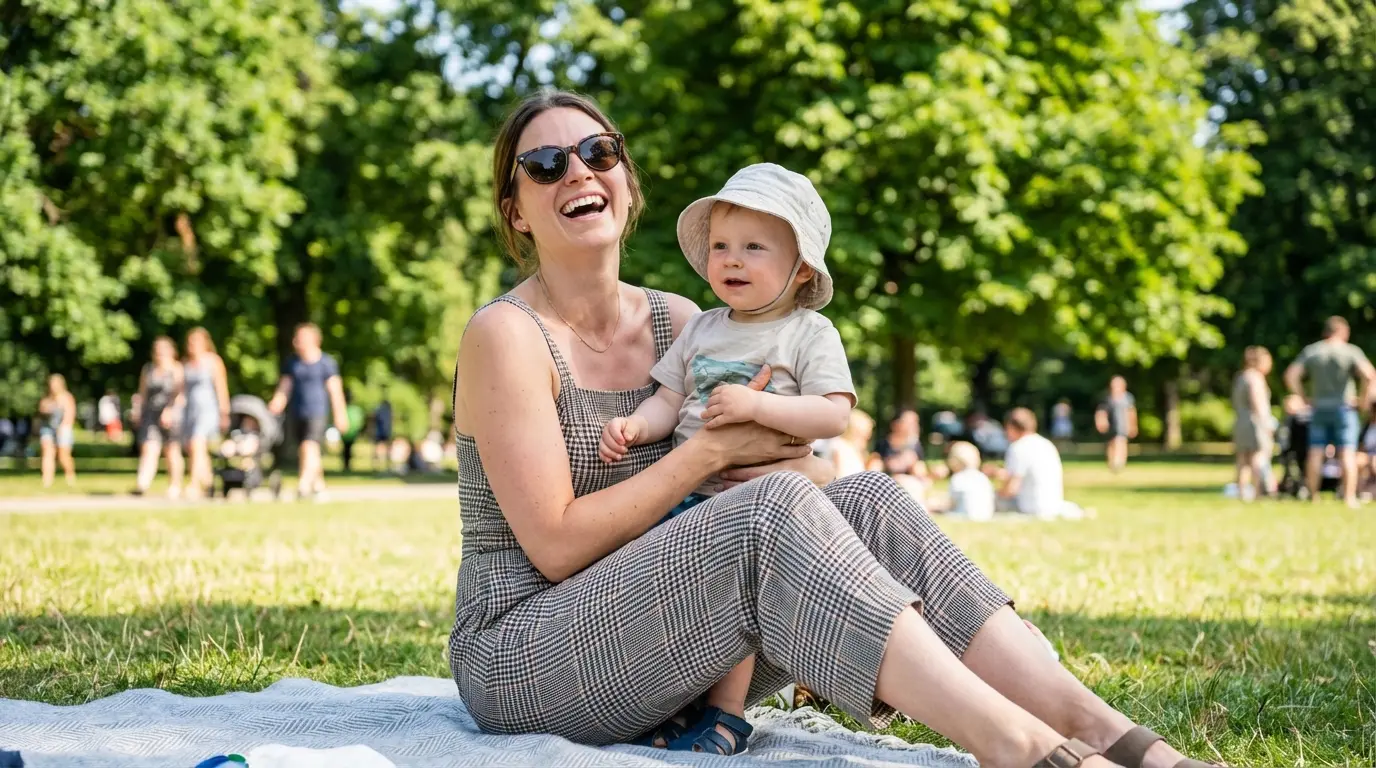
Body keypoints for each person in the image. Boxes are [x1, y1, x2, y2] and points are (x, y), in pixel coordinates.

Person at [448, 90, 1218, 768]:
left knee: (871, 501)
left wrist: (792, 465)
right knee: (762, 514)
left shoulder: (679, 321)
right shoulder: (507, 336)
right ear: (515, 210)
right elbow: (555, 547)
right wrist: (713, 453)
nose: (578, 172)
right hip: (525, 654)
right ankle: (1014, 747)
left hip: (661, 634)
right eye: (544, 164)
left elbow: (794, 474)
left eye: (599, 152)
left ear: (626, 180)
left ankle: (1098, 726)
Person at [598, 163, 855, 752]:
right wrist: (637, 426)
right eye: (721, 247)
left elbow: (832, 415)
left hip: (759, 502)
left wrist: (758, 407)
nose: (732, 260)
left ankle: (727, 714)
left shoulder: (808, 333)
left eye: (753, 248)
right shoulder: (702, 328)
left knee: (735, 605)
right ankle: (676, 706)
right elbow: (670, 400)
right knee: (679, 607)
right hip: (686, 496)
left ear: (801, 268)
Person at [1284, 316, 1376, 507]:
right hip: (1344, 408)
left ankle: (1313, 496)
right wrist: (1362, 400)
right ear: (1343, 332)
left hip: (1319, 408)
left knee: (1316, 451)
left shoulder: (1313, 351)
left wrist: (1303, 397)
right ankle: (1349, 498)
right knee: (1347, 452)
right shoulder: (1350, 351)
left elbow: (1291, 375)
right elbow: (1369, 375)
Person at [268, 323, 349, 501]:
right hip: (297, 412)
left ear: (314, 340)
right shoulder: (292, 363)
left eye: (300, 338)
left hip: (317, 411)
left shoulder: (326, 363)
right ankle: (319, 487)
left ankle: (303, 485)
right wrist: (276, 404)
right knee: (307, 450)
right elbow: (285, 387)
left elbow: (335, 390)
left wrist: (340, 414)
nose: (295, 342)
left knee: (309, 446)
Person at [180, 328, 231, 500]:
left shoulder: (213, 361)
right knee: (194, 447)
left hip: (208, 410)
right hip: (190, 410)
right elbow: (181, 390)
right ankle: (208, 482)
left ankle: (194, 484)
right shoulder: (186, 363)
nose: (192, 345)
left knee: (197, 442)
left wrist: (224, 412)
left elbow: (221, 388)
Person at [132, 337, 186, 497]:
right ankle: (143, 483)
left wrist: (169, 411)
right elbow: (142, 393)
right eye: (157, 352)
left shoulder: (176, 368)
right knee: (149, 447)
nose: (159, 355)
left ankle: (175, 485)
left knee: (172, 450)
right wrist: (138, 411)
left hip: (172, 413)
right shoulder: (148, 369)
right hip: (151, 413)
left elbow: (180, 393)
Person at [996, 408, 1069, 518]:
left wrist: (996, 493)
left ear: (1012, 427)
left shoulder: (1018, 447)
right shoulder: (1046, 444)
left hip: (1031, 508)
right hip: (1053, 506)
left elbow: (1011, 489)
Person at [1232, 346, 1276, 501]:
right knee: (1258, 456)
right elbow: (1259, 404)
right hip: (1254, 422)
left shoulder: (1241, 376)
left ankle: (1241, 493)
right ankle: (1258, 492)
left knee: (1242, 460)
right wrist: (1267, 424)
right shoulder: (1256, 378)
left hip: (1240, 421)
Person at [876, 408, 932, 500]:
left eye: (915, 422)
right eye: (910, 423)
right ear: (895, 424)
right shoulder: (883, 445)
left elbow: (922, 475)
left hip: (909, 488)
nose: (914, 426)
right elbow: (874, 469)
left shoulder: (915, 445)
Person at [37, 374, 77, 487]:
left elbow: (70, 414)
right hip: (48, 428)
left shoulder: (67, 397)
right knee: (47, 452)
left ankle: (70, 475)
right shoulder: (47, 398)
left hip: (63, 428)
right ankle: (47, 479)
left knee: (63, 455)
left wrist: (63, 427)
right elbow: (41, 411)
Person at [944, 441, 995, 520]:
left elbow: (951, 504)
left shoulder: (958, 478)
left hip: (963, 515)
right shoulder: (982, 477)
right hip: (985, 516)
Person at [1094, 376, 1137, 473]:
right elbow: (1101, 412)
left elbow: (1131, 412)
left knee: (1121, 441)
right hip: (1111, 424)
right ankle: (1112, 462)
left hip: (1123, 424)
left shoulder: (1128, 398)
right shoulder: (1107, 398)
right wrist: (1101, 422)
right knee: (1111, 443)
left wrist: (1133, 425)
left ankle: (1119, 462)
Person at [829, 409, 880, 479]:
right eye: (866, 434)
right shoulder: (841, 448)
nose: (868, 438)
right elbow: (842, 478)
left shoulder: (851, 449)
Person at [340, 390, 366, 473]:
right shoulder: (353, 409)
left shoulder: (348, 409)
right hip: (349, 433)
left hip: (348, 433)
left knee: (347, 449)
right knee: (347, 449)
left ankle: (346, 465)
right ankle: (346, 465)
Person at [372, 395, 393, 471]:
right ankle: (382, 464)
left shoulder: (380, 410)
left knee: (381, 447)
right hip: (384, 431)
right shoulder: (388, 411)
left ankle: (381, 464)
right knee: (382, 447)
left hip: (381, 432)